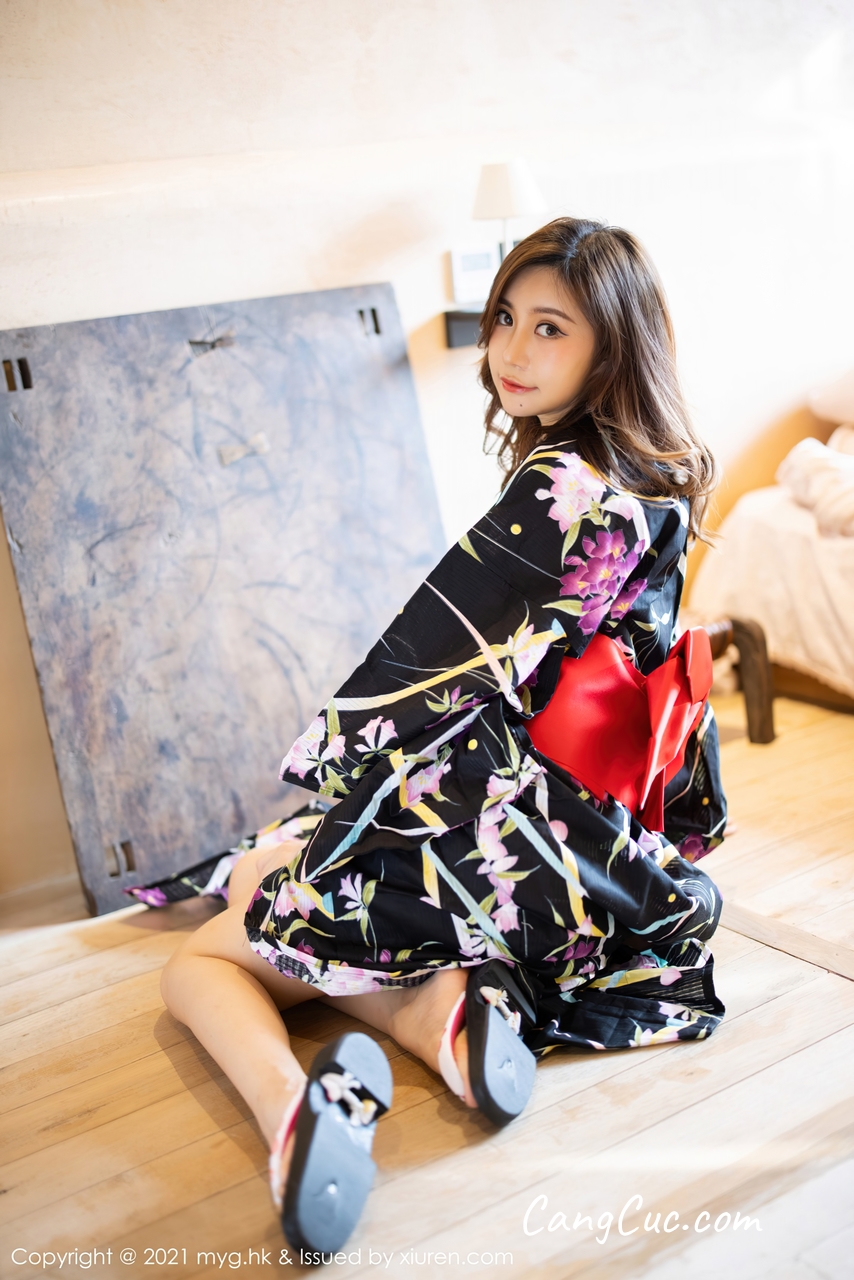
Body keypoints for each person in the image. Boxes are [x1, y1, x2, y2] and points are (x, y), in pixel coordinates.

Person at [152, 217, 727, 1256]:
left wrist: (338, 811)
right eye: (504, 318)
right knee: (297, 875)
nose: (510, 350)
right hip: (606, 861)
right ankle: (453, 1030)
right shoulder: (657, 479)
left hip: (518, 840)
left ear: (612, 343)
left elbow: (428, 683)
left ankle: (292, 1117)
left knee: (210, 952)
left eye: (549, 327)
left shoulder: (557, 488)